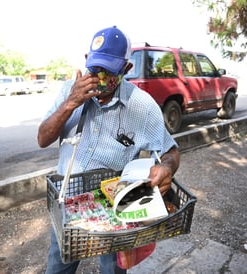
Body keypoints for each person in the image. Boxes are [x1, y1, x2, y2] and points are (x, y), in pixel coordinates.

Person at [37, 26, 180, 274]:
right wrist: (70, 104)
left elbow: (170, 151)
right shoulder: (69, 91)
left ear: (126, 69)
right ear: (86, 61)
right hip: (68, 206)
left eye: (109, 71)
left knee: (113, 270)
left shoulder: (142, 107)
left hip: (116, 211)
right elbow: (42, 138)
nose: (100, 77)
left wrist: (166, 167)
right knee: (58, 267)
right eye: (95, 69)